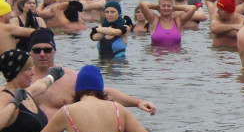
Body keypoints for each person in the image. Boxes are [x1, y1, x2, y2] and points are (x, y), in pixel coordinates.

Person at [25, 29, 156, 118]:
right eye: (37, 50)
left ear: (54, 50)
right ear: (30, 52)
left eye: (47, 50)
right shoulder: (22, 79)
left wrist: (138, 103)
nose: (42, 54)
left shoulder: (70, 77)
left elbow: (104, 93)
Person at [0, 49, 62, 132]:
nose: (33, 73)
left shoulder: (27, 93)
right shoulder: (4, 96)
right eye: (28, 69)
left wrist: (52, 76)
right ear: (16, 72)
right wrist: (14, 103)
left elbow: (41, 85)